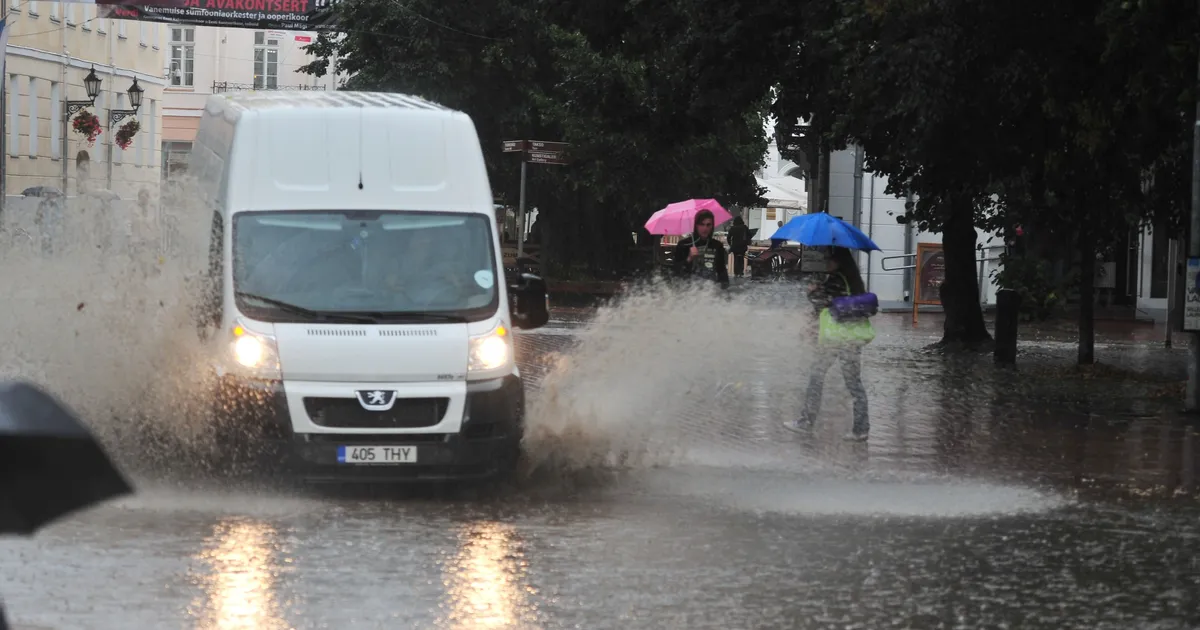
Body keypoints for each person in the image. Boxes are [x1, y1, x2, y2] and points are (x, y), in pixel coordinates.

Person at [788, 246, 870, 440]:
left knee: (816, 377)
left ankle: (806, 422)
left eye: (829, 259)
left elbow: (822, 302)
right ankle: (861, 428)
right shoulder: (854, 281)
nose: (826, 263)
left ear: (838, 261)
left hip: (835, 338)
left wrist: (812, 291)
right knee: (854, 383)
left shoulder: (835, 280)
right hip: (852, 338)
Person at [673, 209, 729, 288]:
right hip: (688, 289)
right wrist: (689, 258)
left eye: (708, 225)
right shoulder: (684, 244)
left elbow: (722, 271)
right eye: (702, 224)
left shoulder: (717, 245)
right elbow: (676, 271)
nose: (705, 228)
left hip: (711, 290)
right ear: (696, 225)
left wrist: (724, 290)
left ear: (712, 226)